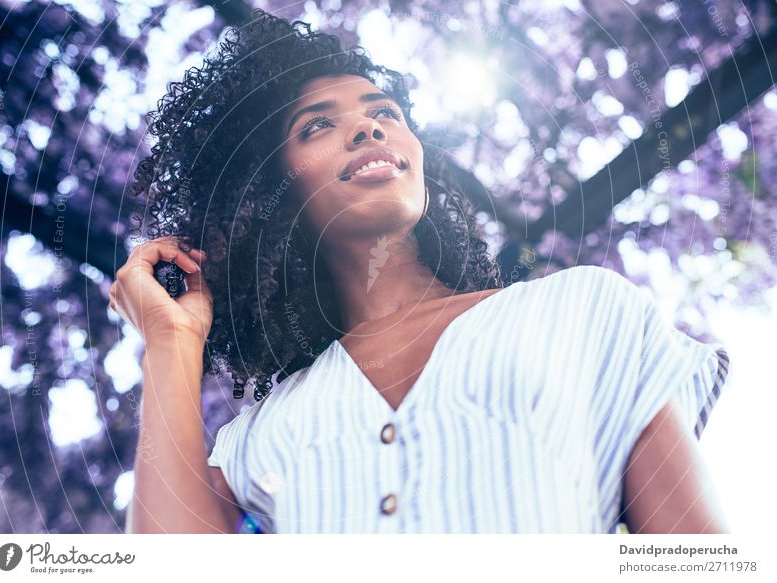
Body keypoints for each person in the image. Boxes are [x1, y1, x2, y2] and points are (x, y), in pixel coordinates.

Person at [111, 9, 731, 534]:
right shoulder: (256, 438)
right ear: (272, 191)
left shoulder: (584, 310)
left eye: (385, 113)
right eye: (317, 125)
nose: (367, 126)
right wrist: (171, 343)